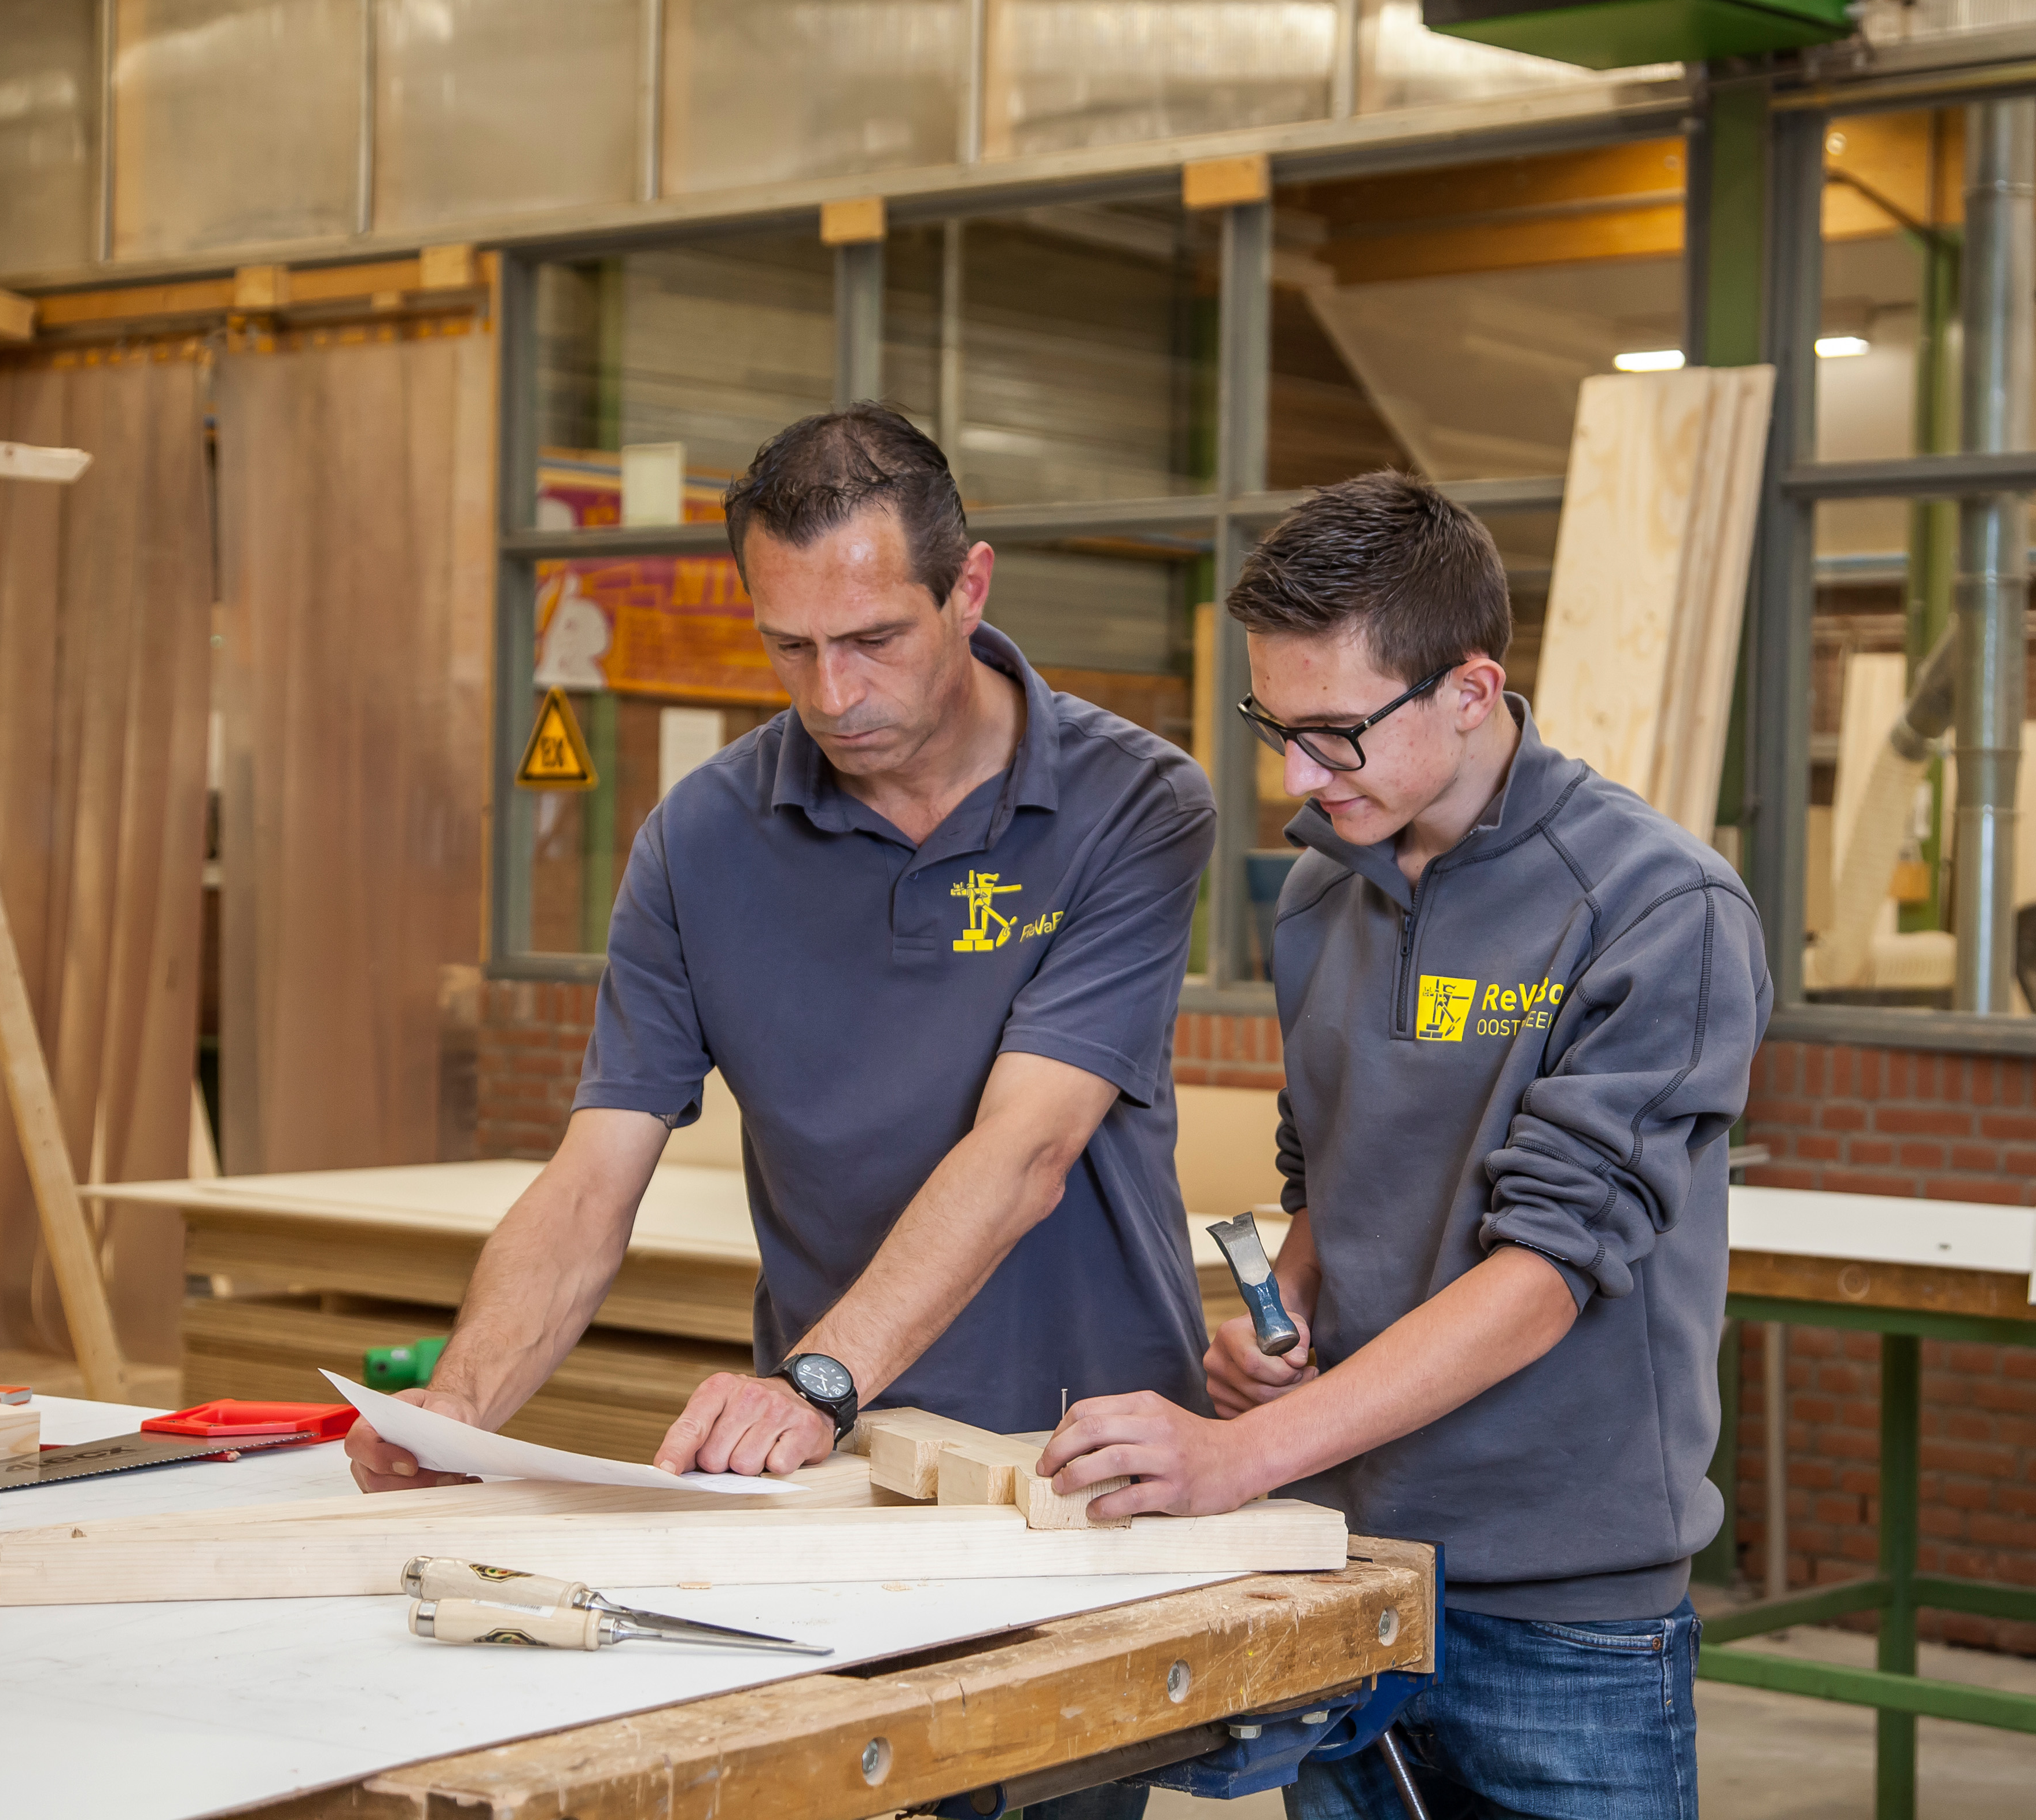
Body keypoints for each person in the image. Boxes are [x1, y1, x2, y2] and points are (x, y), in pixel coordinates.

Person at [1035, 470, 1770, 1818]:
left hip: (1563, 1606)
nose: (1297, 776)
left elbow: (1546, 1271)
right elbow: (1330, 1168)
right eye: (1276, 726)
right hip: (1349, 1565)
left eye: (1335, 733)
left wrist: (1234, 1455)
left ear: (1471, 691)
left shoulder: (1658, 906)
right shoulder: (1323, 894)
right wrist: (1291, 1301)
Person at [345, 401, 1216, 1517]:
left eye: (873, 641)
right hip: (837, 1470)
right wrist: (460, 1405)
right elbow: (589, 1188)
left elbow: (1028, 1148)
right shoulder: (698, 842)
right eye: (790, 647)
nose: (831, 697)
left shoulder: (1133, 804)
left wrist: (815, 1377)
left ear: (970, 589)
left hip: (1098, 1461)